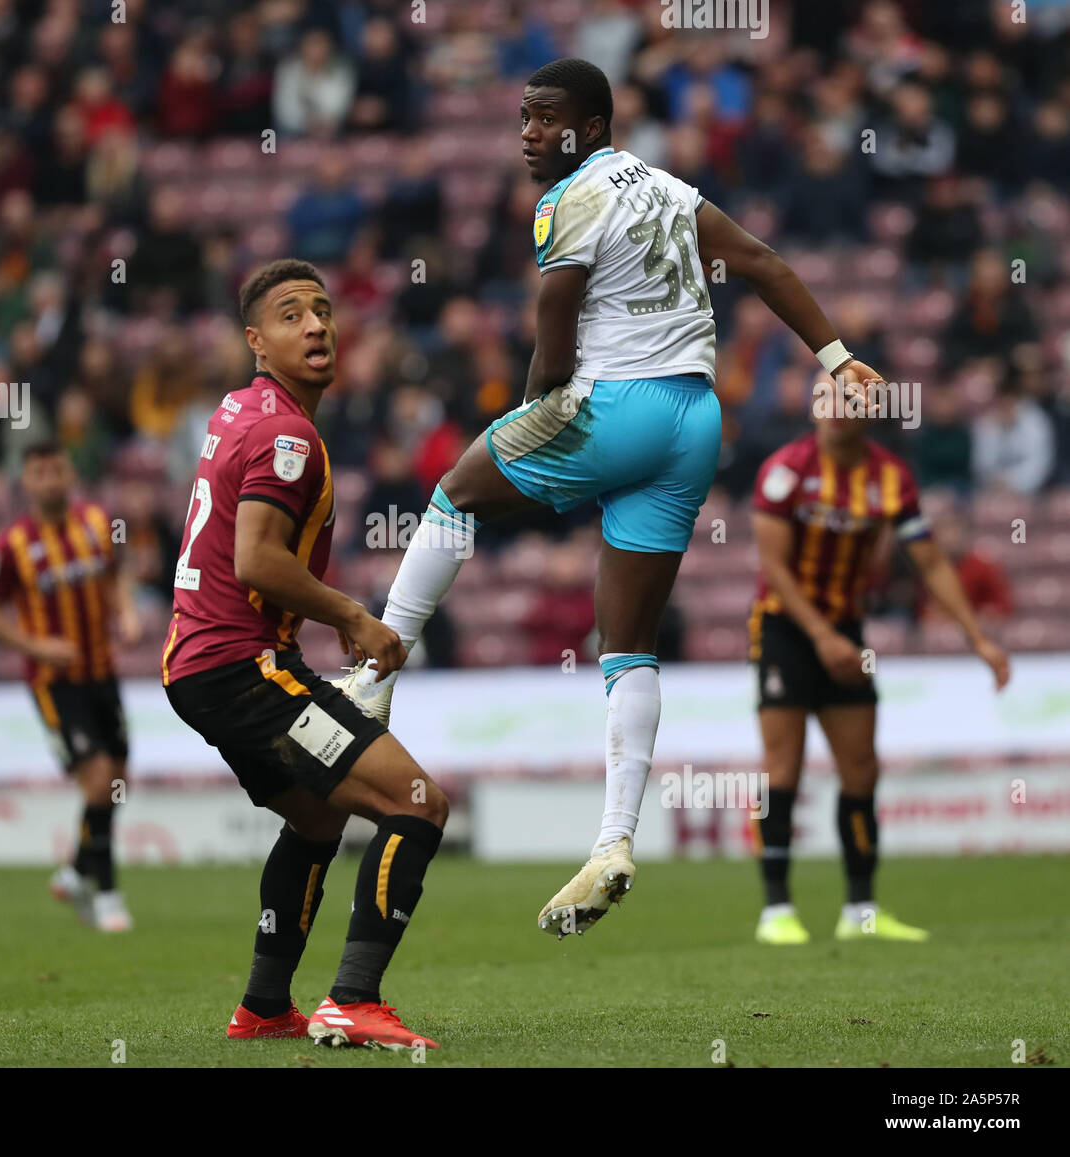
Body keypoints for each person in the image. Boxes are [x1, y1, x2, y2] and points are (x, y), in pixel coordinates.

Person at [335, 57, 885, 939]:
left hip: (615, 404)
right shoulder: (670, 188)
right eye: (521, 116)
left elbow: (555, 336)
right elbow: (758, 260)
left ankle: (374, 675)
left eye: (542, 118)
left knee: (455, 489)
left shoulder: (569, 200)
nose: (526, 133)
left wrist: (524, 415)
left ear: (589, 127)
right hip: (695, 421)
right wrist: (834, 355)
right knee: (625, 645)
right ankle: (615, 841)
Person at [161, 259, 447, 1050]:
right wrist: (353, 617)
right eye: (291, 315)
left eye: (322, 310)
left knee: (319, 817)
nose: (317, 324)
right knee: (417, 801)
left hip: (196, 665)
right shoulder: (288, 434)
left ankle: (262, 1004)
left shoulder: (240, 409)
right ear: (256, 340)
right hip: (243, 668)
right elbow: (256, 560)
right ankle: (353, 998)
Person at [749, 386, 1010, 944]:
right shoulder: (785, 471)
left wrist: (977, 638)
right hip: (784, 628)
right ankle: (777, 911)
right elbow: (772, 568)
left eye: (850, 402)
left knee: (862, 767)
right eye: (827, 399)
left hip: (845, 630)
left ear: (869, 413)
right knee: (782, 768)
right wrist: (819, 636)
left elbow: (931, 562)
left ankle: (860, 912)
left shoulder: (891, 478)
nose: (838, 410)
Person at [0, 443, 140, 932]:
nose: (49, 479)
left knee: (116, 784)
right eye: (38, 472)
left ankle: (74, 871)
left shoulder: (96, 523)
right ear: (25, 481)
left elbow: (115, 578)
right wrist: (36, 646)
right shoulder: (10, 546)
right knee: (97, 778)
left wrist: (126, 611)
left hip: (101, 672)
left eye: (56, 469)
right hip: (54, 684)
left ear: (70, 473)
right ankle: (107, 893)